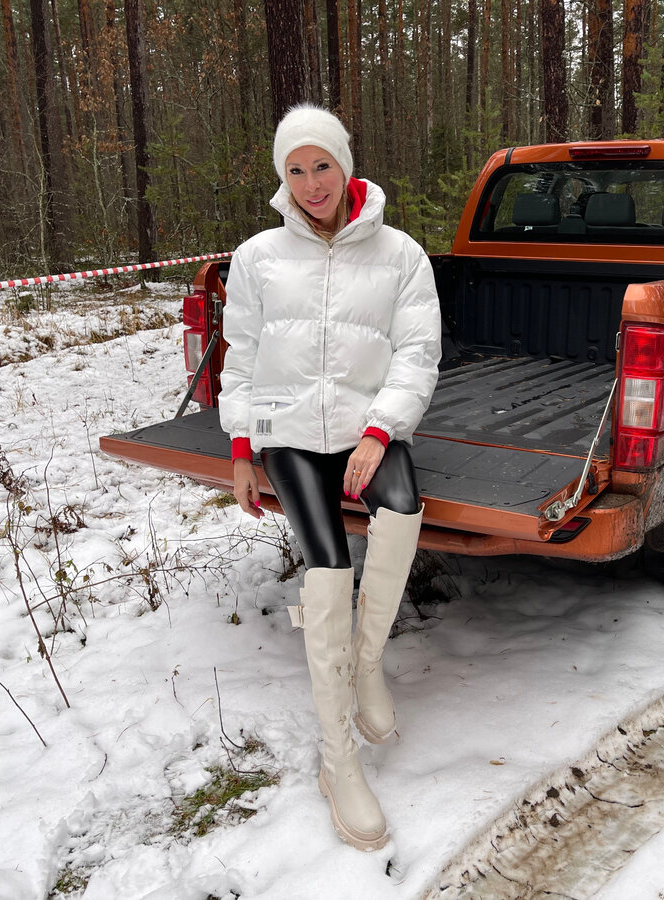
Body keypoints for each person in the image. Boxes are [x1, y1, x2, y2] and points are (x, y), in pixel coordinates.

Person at [217, 103, 441, 851]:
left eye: (323, 165)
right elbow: (240, 357)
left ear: (347, 165)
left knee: (404, 509)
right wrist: (243, 446)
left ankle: (367, 663)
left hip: (365, 429)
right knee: (326, 568)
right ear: (282, 178)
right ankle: (338, 759)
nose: (312, 183)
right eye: (296, 169)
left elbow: (416, 354)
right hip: (288, 432)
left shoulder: (402, 255)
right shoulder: (257, 258)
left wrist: (379, 432)